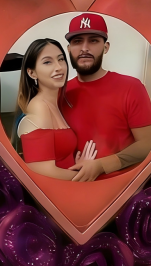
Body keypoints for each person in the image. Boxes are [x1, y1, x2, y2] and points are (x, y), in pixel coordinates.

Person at [62, 13, 151, 182]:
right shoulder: (59, 93)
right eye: (77, 41)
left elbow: (147, 144)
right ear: (69, 49)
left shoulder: (131, 87)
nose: (84, 48)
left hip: (124, 187)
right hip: (72, 184)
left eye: (93, 41)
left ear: (106, 47)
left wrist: (101, 166)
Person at [12, 38, 97, 180]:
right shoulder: (39, 107)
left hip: (70, 184)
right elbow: (43, 173)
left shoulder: (57, 103)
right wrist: (87, 174)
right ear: (32, 73)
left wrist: (77, 166)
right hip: (60, 190)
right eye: (47, 62)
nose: (59, 67)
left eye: (61, 59)